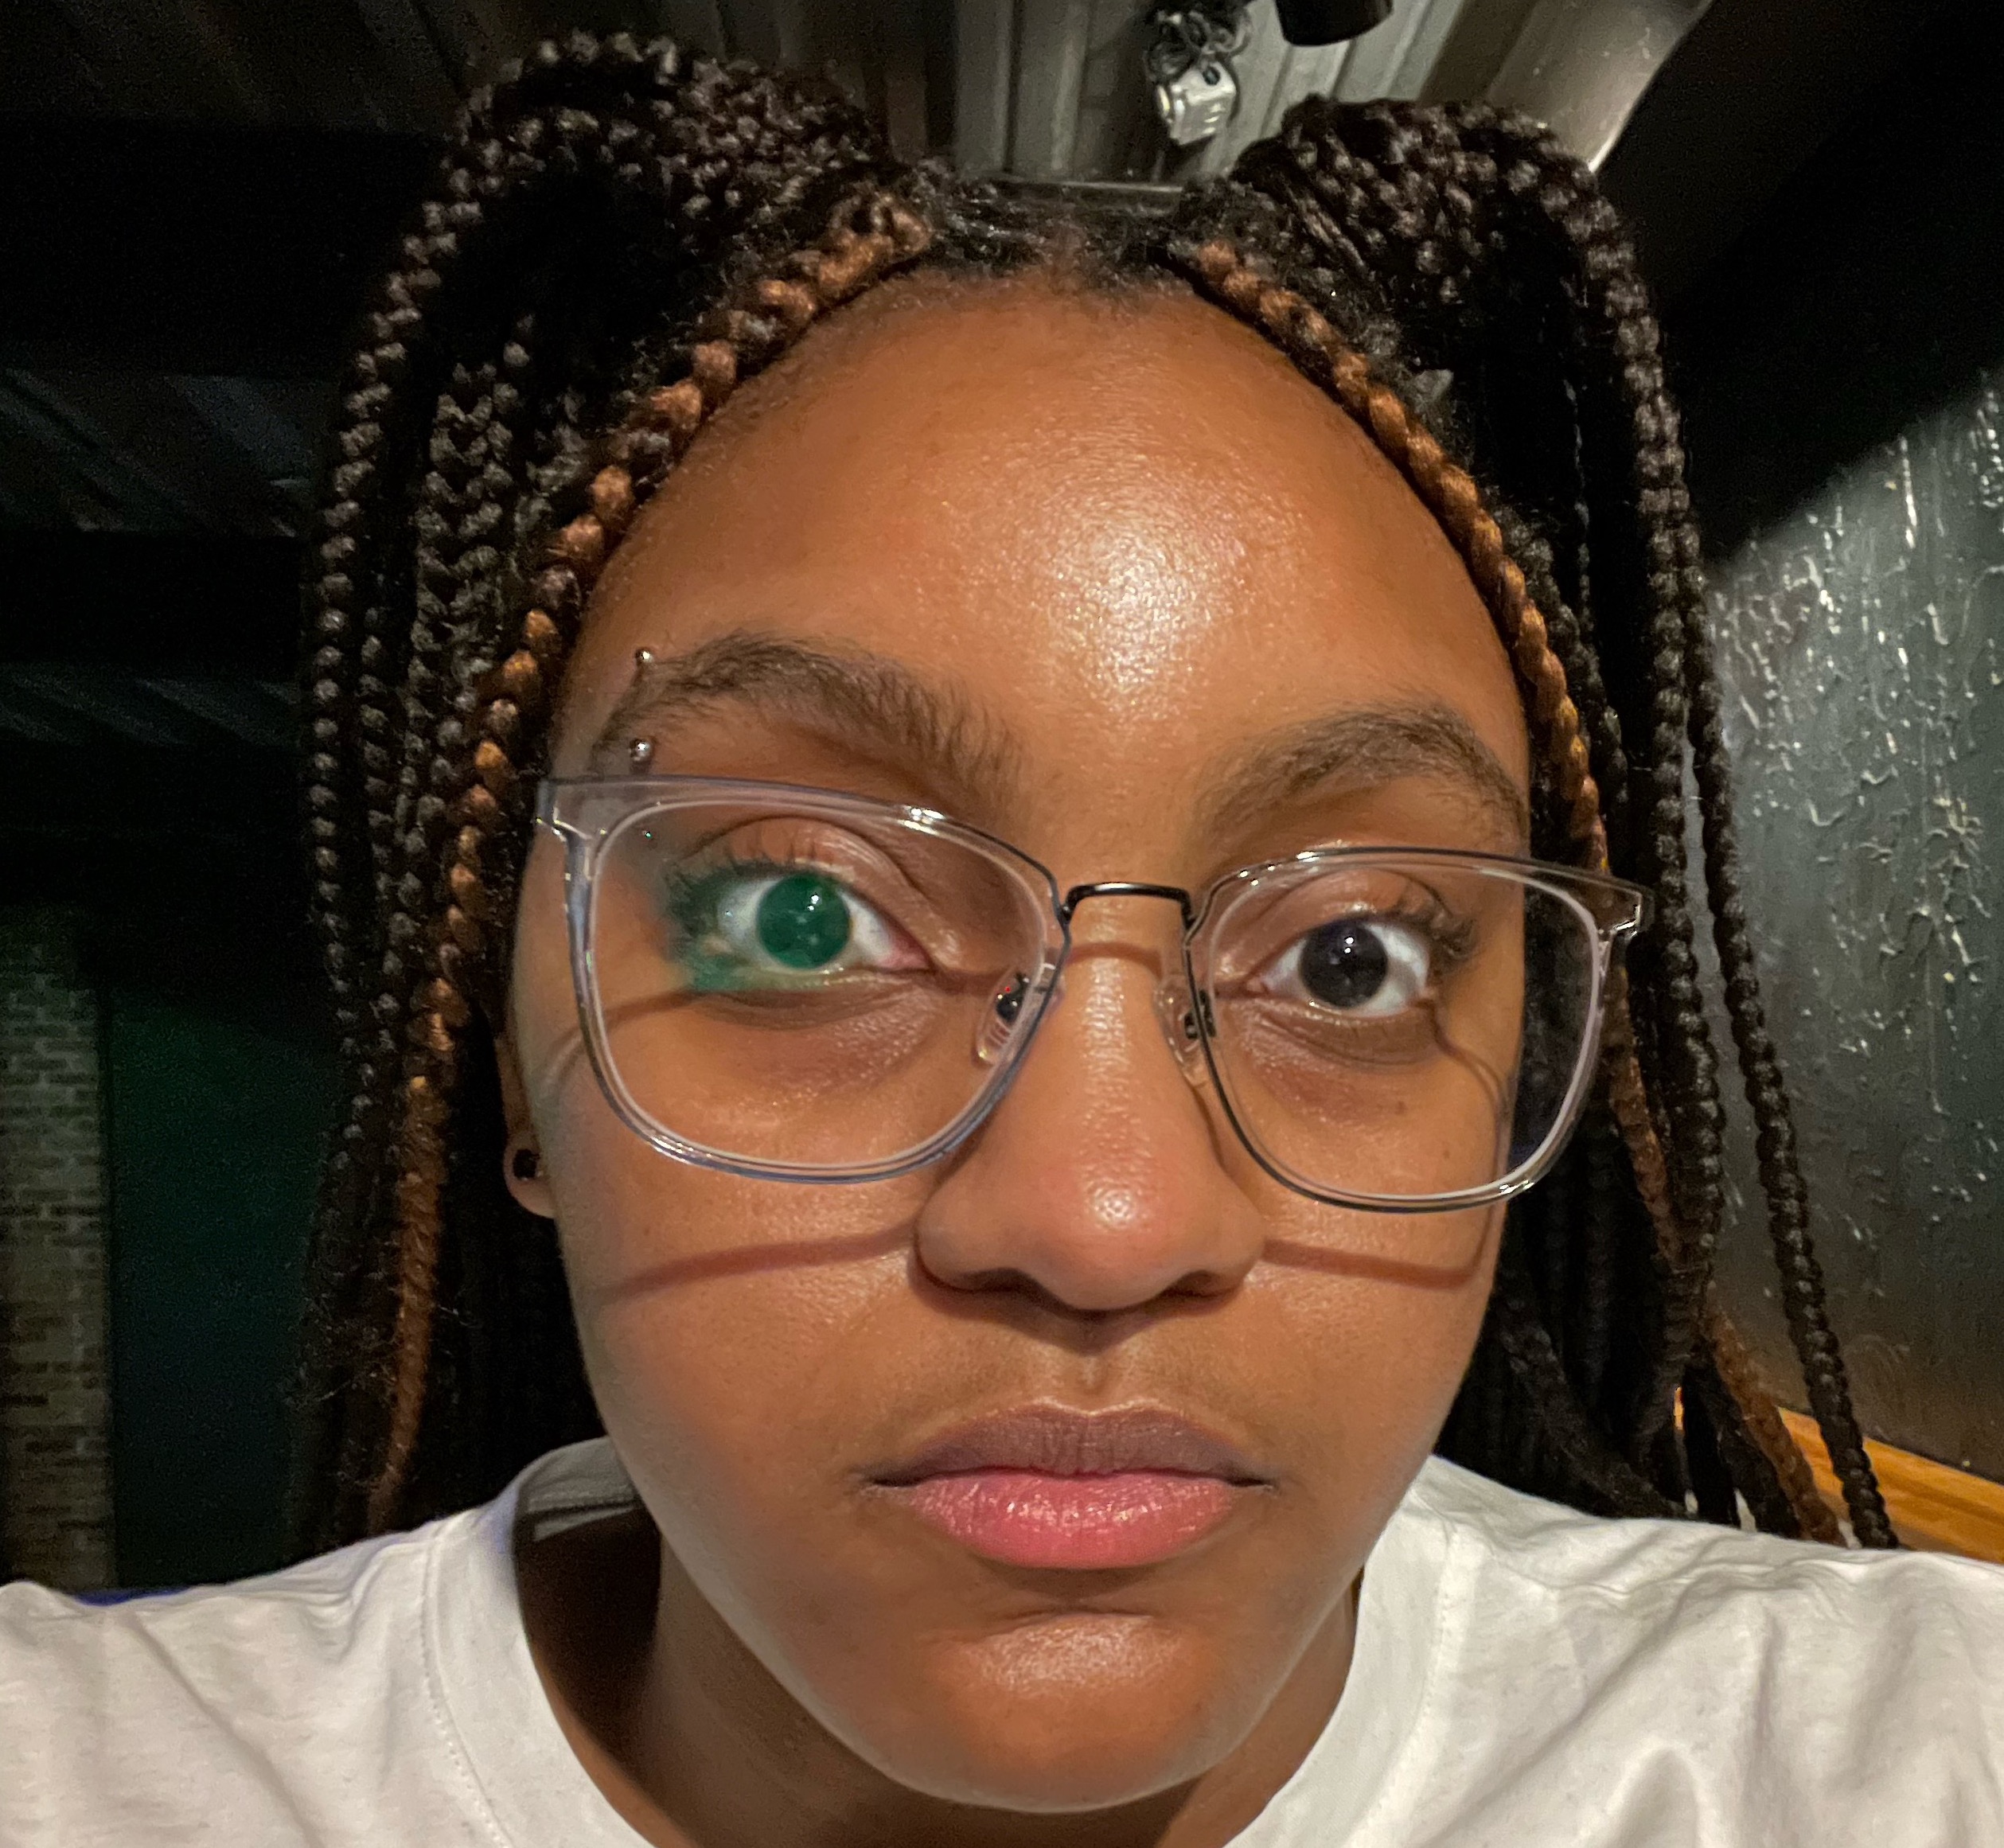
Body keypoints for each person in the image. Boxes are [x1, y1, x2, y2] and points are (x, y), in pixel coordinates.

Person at [3, 33, 2000, 1848]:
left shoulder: (1903, 1755)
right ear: (513, 1056)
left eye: (1349, 958)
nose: (1105, 1218)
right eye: (803, 914)